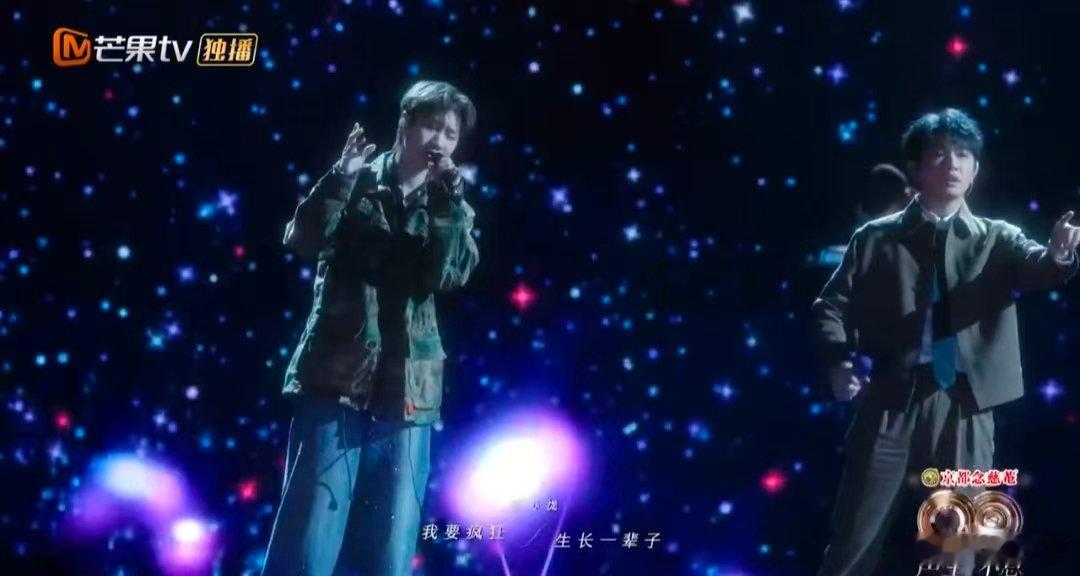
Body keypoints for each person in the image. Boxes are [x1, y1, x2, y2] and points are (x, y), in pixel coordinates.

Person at [812, 108, 1080, 576]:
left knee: (959, 544)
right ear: (916, 168)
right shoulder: (875, 239)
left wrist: (1059, 254)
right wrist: (837, 361)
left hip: (966, 404)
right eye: (939, 153)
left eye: (963, 155)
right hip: (891, 397)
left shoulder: (998, 238)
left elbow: (1038, 267)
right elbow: (830, 306)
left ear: (975, 172)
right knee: (854, 537)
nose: (953, 163)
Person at [262, 80, 480, 576]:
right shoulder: (356, 179)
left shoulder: (449, 204)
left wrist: (447, 204)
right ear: (405, 123)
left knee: (390, 538)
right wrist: (340, 177)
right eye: (431, 126)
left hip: (408, 388)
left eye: (450, 134)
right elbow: (302, 239)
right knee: (311, 528)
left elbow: (449, 275)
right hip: (336, 375)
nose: (440, 141)